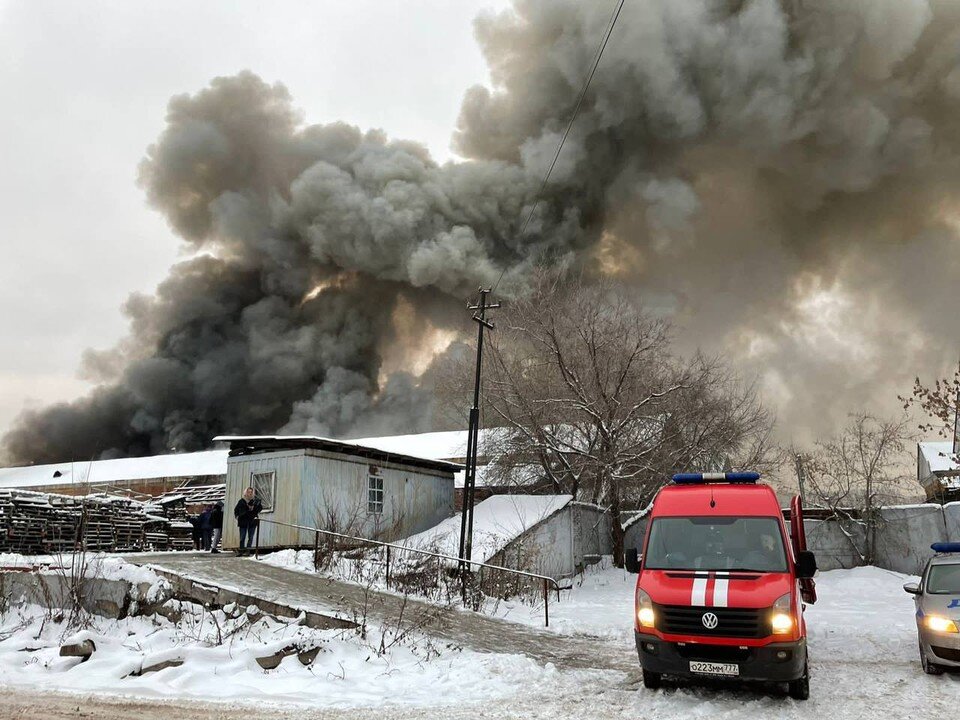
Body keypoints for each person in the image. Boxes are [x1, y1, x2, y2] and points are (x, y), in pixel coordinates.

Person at [234, 487, 262, 556]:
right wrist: (237, 516)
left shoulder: (254, 501)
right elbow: (236, 510)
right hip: (243, 521)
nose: (250, 493)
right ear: (245, 493)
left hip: (252, 521)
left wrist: (256, 506)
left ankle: (248, 551)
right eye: (248, 492)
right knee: (242, 537)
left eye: (251, 492)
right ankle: (241, 551)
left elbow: (259, 509)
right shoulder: (241, 501)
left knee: (250, 537)